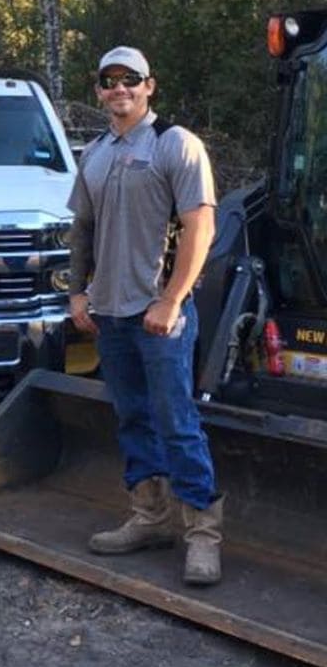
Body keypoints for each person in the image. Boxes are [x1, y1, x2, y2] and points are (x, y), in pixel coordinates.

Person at [67, 46, 224, 585]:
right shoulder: (94, 154)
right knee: (132, 417)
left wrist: (171, 300)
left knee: (177, 423)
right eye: (109, 81)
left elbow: (200, 227)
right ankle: (150, 517)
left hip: (160, 315)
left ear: (149, 86)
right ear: (99, 91)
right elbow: (82, 230)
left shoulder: (175, 145)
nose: (119, 89)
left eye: (130, 79)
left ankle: (202, 535)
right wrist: (77, 293)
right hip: (109, 313)